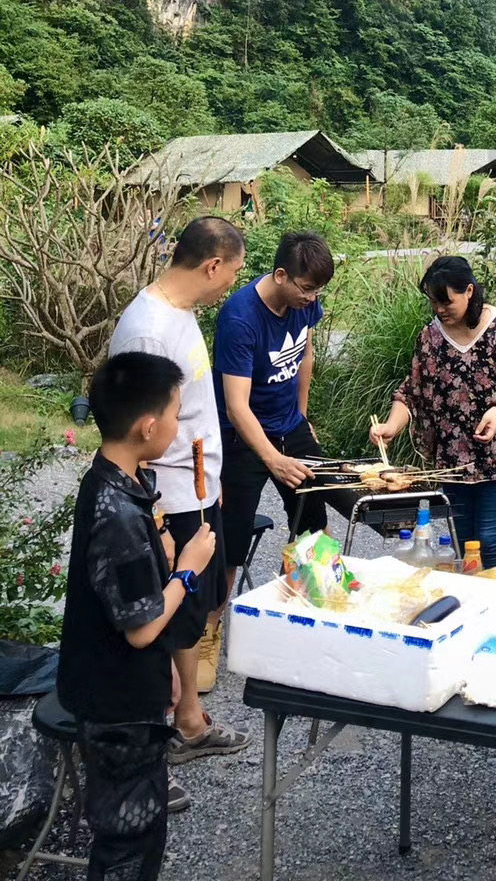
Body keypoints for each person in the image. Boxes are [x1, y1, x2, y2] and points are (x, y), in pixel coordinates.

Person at [57, 353, 217, 881]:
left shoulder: (113, 479)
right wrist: (187, 572)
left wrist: (168, 668)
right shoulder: (119, 512)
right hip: (115, 706)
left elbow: (130, 596)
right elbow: (142, 625)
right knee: (128, 839)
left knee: (144, 832)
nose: (178, 424)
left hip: (129, 690)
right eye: (175, 412)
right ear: (150, 427)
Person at [109, 215, 249, 803]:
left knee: (190, 612)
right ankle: (156, 746)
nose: (229, 287)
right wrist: (159, 518)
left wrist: (210, 487)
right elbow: (135, 434)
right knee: (161, 619)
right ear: (211, 265)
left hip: (197, 486)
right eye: (231, 274)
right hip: (167, 496)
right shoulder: (146, 331)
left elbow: (188, 410)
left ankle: (188, 720)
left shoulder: (182, 312)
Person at [370, 255, 496, 568]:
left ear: (468, 291)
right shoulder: (431, 337)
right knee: (463, 542)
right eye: (433, 302)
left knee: (491, 540)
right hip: (452, 459)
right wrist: (391, 426)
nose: (439, 310)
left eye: (446, 302)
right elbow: (410, 392)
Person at [213, 231, 339, 622]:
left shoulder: (304, 304)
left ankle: (309, 612)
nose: (312, 298)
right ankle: (208, 631)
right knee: (231, 541)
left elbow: (305, 353)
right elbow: (235, 406)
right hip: (243, 435)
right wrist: (273, 459)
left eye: (319, 291)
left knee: (314, 525)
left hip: (290, 425)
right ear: (281, 275)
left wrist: (301, 416)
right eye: (306, 289)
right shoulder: (240, 318)